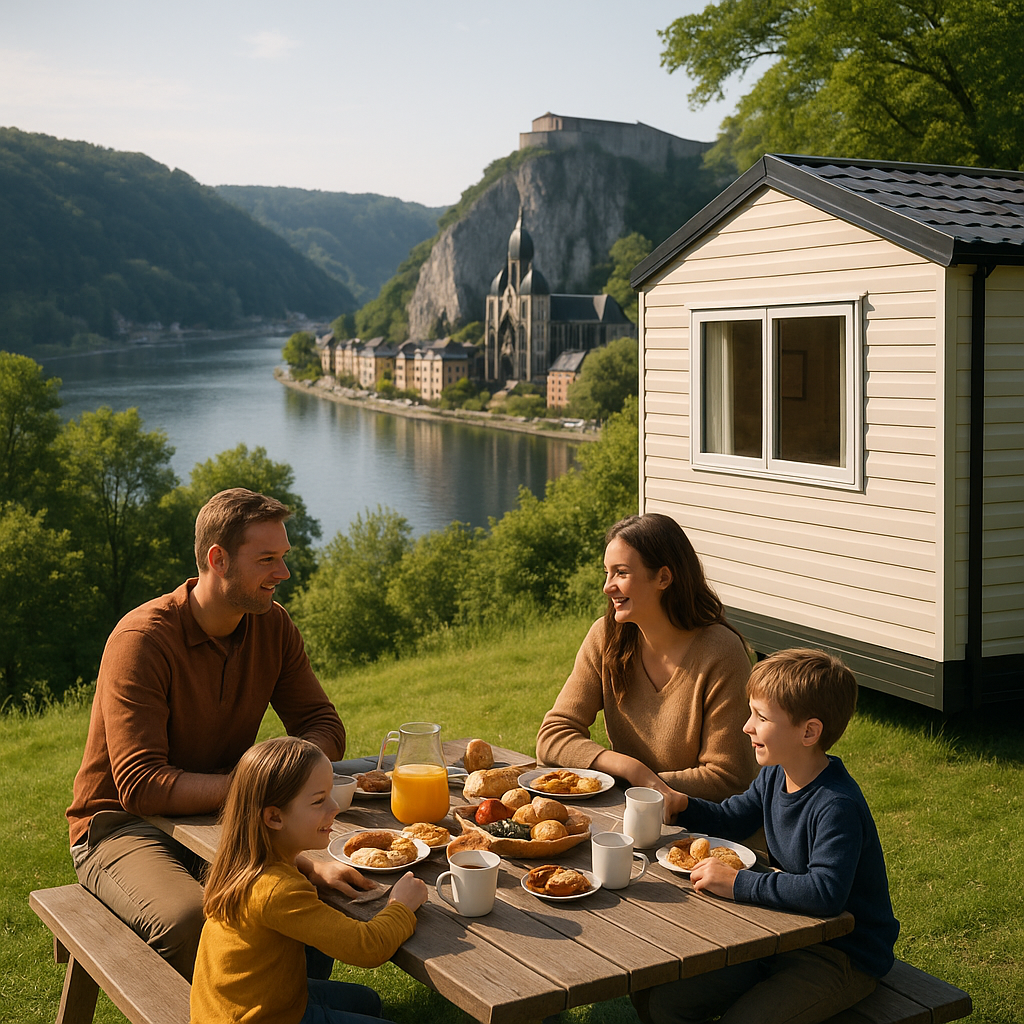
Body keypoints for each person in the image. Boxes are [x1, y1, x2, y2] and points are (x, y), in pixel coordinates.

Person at [67, 488, 370, 980]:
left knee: (309, 895)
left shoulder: (271, 626)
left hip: (220, 820)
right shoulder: (142, 640)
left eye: (283, 557)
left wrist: (280, 776)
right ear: (218, 559)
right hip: (119, 827)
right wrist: (256, 786)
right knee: (194, 920)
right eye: (267, 559)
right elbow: (141, 786)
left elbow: (323, 724)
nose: (284, 573)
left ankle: (304, 1006)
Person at [638, 649, 900, 1024]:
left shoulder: (835, 806)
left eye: (761, 717)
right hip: (783, 934)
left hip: (842, 955)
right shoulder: (776, 775)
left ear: (809, 732)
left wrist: (740, 882)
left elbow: (825, 893)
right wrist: (683, 806)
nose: (747, 726)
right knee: (667, 1004)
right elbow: (731, 819)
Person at [191, 736, 427, 1024]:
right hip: (264, 1017)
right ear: (275, 818)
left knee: (369, 1002)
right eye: (319, 800)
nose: (334, 807)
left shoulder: (242, 861)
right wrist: (401, 904)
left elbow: (278, 868)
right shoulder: (278, 891)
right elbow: (366, 947)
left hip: (242, 1004)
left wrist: (315, 868)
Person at [536, 513, 756, 805]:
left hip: (705, 831)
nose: (607, 586)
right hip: (628, 815)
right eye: (607, 573)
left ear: (663, 577)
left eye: (621, 573)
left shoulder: (721, 652)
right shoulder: (606, 637)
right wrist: (630, 769)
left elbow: (729, 778)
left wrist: (642, 785)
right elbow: (553, 736)